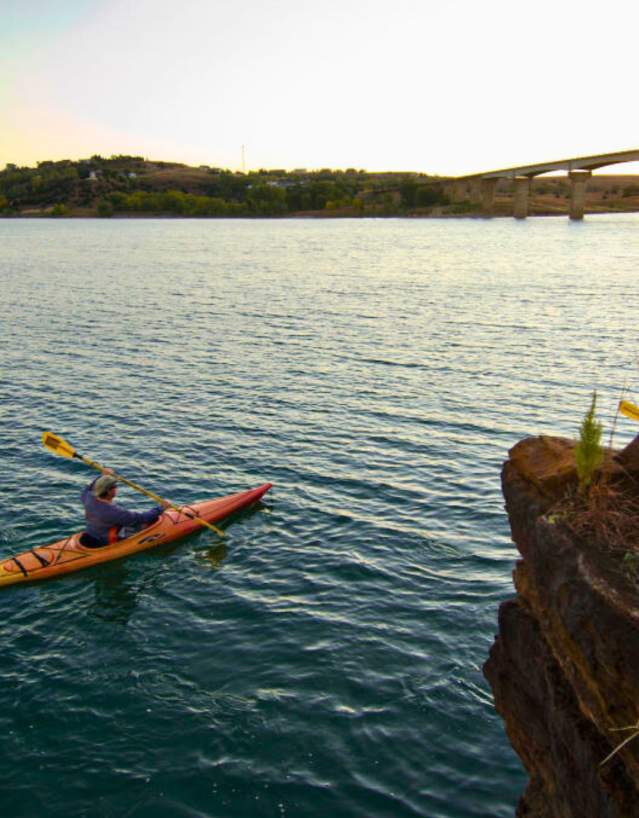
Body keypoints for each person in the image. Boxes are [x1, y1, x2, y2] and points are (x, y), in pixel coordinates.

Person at [80, 468, 169, 548]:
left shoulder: (88, 496)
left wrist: (102, 476)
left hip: (92, 532)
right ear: (108, 491)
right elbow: (141, 518)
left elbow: (91, 486)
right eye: (115, 486)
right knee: (145, 523)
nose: (117, 488)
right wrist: (161, 508)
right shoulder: (113, 512)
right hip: (105, 540)